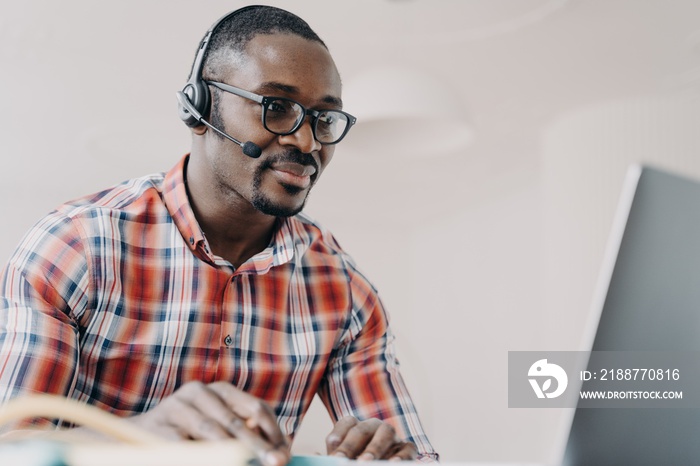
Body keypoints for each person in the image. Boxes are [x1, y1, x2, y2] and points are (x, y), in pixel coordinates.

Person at [0, 5, 438, 464]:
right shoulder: (76, 246)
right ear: (197, 107)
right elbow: (12, 446)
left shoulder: (345, 292)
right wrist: (139, 438)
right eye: (277, 107)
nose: (307, 143)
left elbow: (414, 456)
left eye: (324, 119)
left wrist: (389, 454)